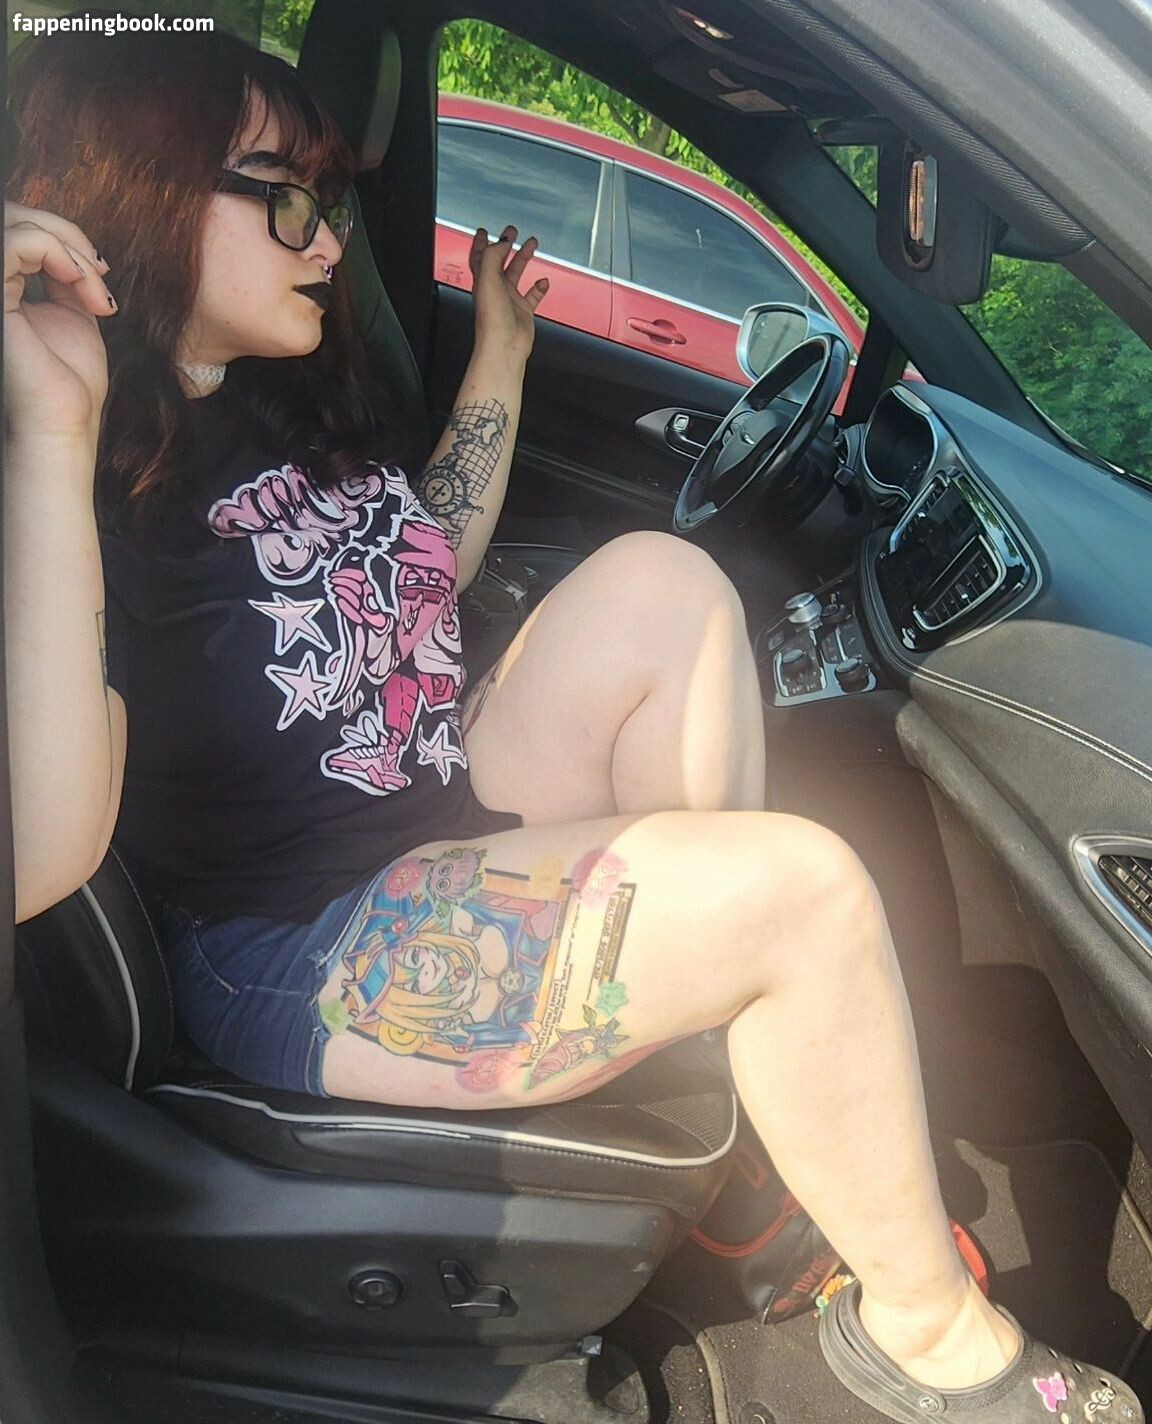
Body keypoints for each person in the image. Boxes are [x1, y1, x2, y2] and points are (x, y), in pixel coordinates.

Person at [3, 26, 1139, 1424]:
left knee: (664, 581)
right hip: (303, 944)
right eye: (286, 199)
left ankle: (738, 1102)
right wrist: (47, 444)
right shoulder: (81, 484)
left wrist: (502, 353)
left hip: (423, 810)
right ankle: (936, 1344)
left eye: (329, 200)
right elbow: (40, 854)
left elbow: (424, 568)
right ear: (145, 191)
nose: (327, 241)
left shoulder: (258, 400)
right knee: (803, 897)